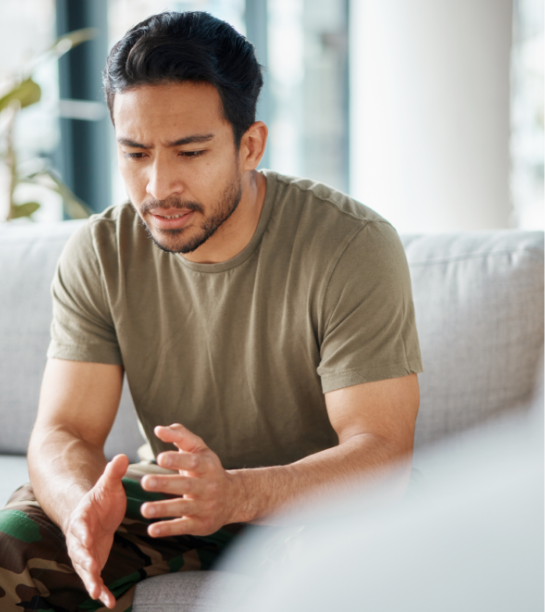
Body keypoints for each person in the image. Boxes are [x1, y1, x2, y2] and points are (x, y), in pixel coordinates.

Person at [0, 11, 422, 612]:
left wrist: (238, 495)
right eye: (136, 153)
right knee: (13, 541)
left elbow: (381, 452)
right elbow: (64, 430)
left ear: (249, 145)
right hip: (177, 497)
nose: (157, 186)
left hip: (324, 504)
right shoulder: (101, 251)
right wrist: (79, 507)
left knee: (344, 574)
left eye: (190, 152)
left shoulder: (351, 246)